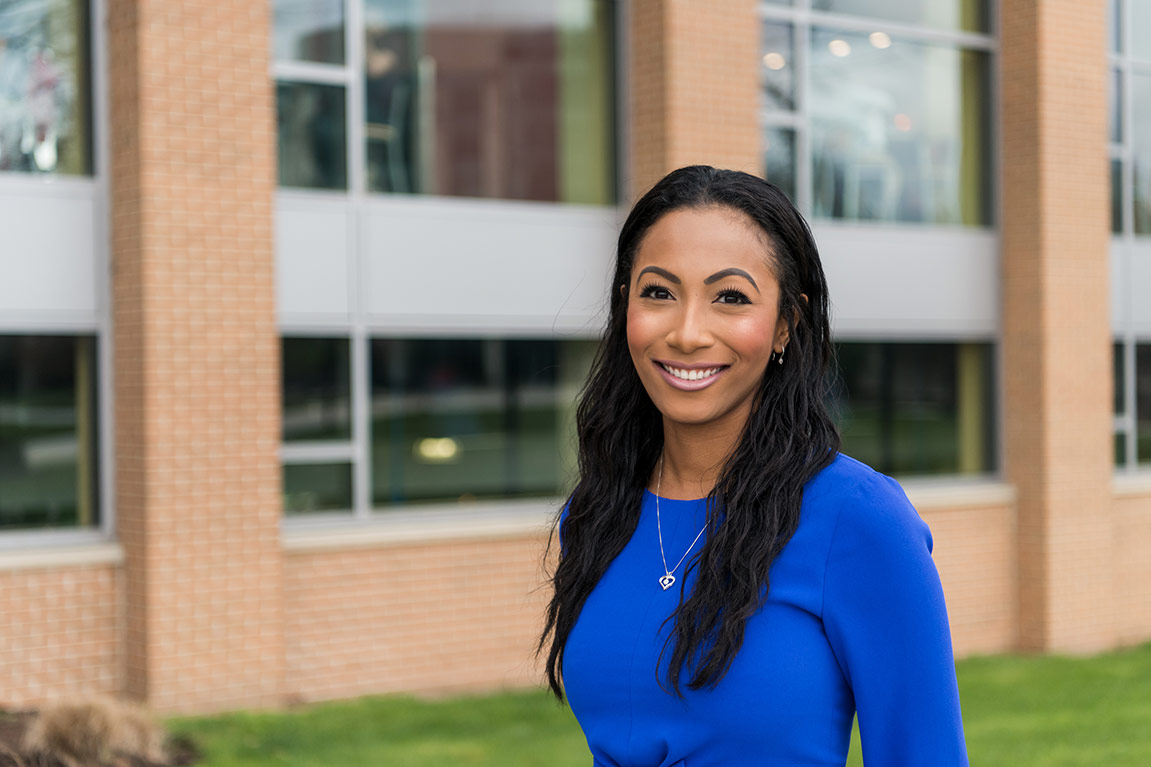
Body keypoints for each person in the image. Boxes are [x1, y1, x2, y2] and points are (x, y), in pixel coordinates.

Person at [539, 165, 968, 766]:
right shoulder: (595, 515)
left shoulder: (856, 518)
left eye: (730, 298)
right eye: (658, 292)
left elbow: (923, 755)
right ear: (623, 306)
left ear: (786, 324)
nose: (687, 333)